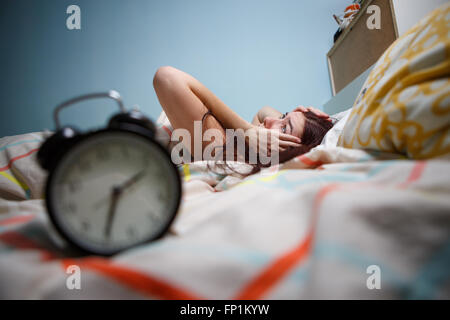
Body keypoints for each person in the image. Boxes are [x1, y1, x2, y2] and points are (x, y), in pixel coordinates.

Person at [153, 66, 334, 173]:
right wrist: (296, 116)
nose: (271, 120)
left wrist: (247, 129)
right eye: (283, 116)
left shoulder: (227, 152)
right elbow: (264, 111)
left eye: (284, 129)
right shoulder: (250, 147)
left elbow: (166, 78)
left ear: (289, 154)